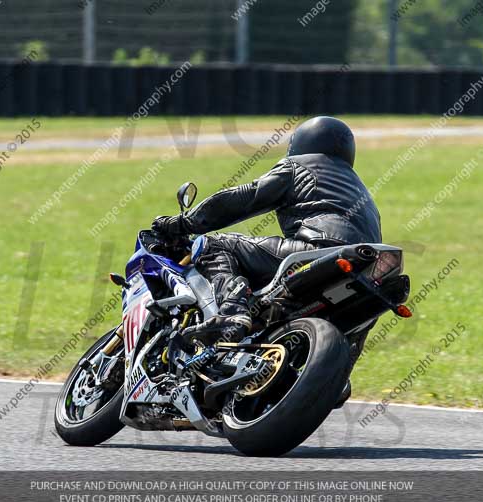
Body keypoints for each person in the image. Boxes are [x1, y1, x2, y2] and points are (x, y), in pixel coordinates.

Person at [152, 116, 382, 346]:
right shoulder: (363, 193)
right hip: (367, 270)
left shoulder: (301, 165)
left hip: (319, 251)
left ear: (301, 142)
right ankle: (335, 382)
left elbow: (243, 198)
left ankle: (232, 311)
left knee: (213, 244)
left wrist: (182, 223)